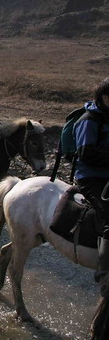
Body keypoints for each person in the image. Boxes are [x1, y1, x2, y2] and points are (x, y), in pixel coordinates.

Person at [74, 77, 109, 297]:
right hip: (91, 177)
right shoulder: (89, 120)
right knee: (108, 214)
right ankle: (105, 271)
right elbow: (85, 153)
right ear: (105, 97)